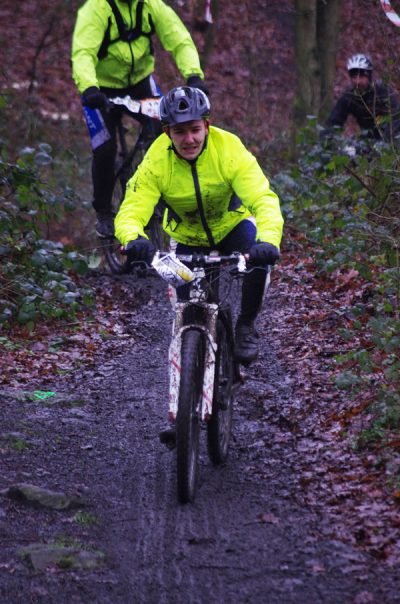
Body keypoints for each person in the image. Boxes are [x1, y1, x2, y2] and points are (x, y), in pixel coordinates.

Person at [115, 86, 284, 366]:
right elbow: (133, 207)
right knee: (187, 311)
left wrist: (267, 241)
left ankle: (245, 326)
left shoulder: (228, 149)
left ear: (207, 125)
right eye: (179, 132)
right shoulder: (156, 160)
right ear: (167, 132)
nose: (189, 139)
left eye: (195, 129)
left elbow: (262, 198)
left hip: (232, 226)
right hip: (187, 238)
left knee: (259, 266)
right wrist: (133, 238)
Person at [71, 0, 208, 239]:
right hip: (100, 90)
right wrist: (89, 88)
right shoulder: (97, 9)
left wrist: (194, 75)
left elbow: (180, 39)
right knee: (105, 148)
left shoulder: (150, 5)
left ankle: (168, 191)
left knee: (168, 130)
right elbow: (83, 53)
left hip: (140, 84)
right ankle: (104, 212)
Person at [321, 53, 400, 143]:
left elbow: (395, 120)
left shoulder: (383, 93)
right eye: (354, 77)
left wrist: (385, 142)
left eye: (361, 77)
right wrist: (325, 142)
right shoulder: (349, 97)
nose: (357, 81)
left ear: (369, 77)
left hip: (390, 139)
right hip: (367, 139)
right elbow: (334, 121)